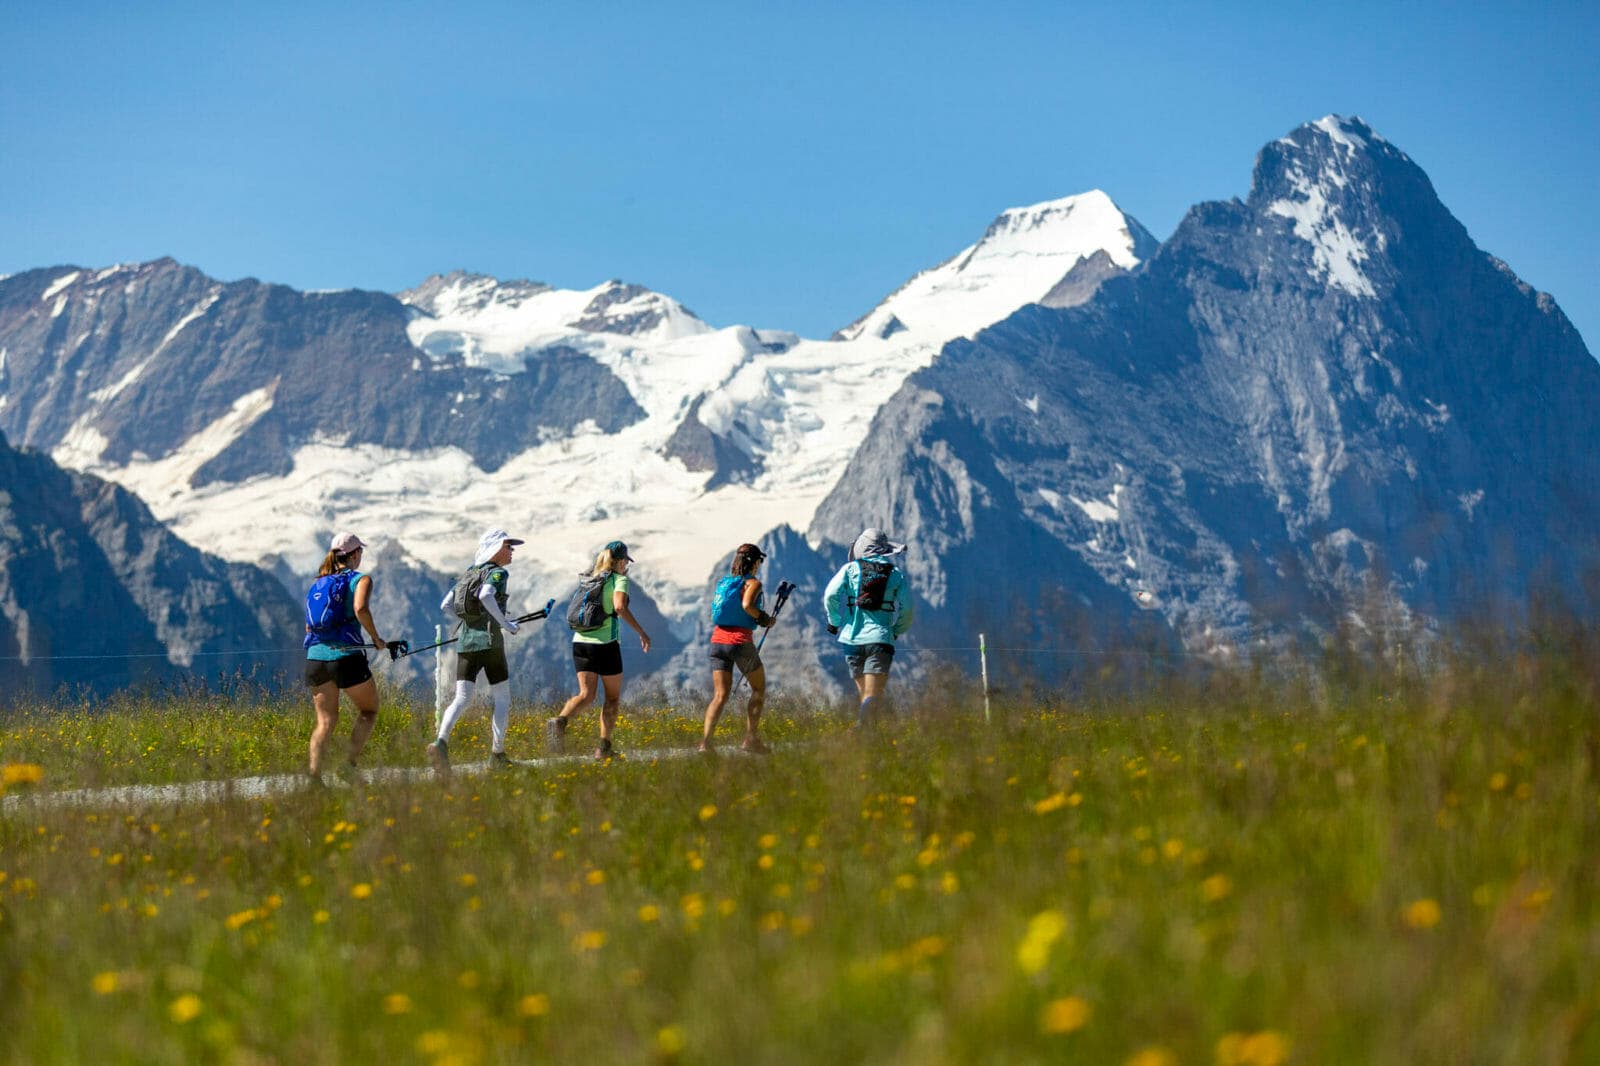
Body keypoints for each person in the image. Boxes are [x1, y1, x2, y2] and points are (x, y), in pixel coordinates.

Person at [427, 529, 527, 775]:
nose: (511, 550)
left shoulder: (469, 573)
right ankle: (497, 755)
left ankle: (441, 742)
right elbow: (486, 595)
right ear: (495, 548)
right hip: (491, 643)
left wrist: (470, 621)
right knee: (502, 697)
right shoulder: (497, 573)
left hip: (466, 643)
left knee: (461, 698)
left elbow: (446, 605)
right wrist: (506, 624)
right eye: (507, 546)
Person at [547, 540, 651, 759]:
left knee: (586, 694)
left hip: (580, 642)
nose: (626, 566)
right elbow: (619, 607)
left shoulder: (590, 578)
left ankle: (560, 721)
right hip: (605, 644)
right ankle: (603, 748)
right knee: (612, 698)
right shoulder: (619, 580)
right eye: (625, 562)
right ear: (621, 561)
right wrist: (641, 631)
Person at [304, 531, 389, 782]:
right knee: (369, 710)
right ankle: (348, 765)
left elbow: (310, 626)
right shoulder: (360, 580)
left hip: (315, 657)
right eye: (360, 551)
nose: (361, 556)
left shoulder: (317, 583)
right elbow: (360, 608)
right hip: (347, 656)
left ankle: (314, 778)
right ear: (354, 555)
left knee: (325, 721)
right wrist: (375, 638)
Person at [823, 528, 914, 726]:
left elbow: (830, 595)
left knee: (866, 696)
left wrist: (834, 622)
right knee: (872, 697)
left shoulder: (849, 569)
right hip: (880, 640)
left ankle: (868, 743)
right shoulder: (895, 574)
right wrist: (896, 630)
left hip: (851, 642)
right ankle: (861, 734)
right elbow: (908, 608)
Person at [699, 543, 774, 754]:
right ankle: (751, 739)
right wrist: (764, 618)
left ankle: (705, 743)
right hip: (740, 643)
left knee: (720, 695)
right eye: (759, 561)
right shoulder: (753, 583)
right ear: (755, 562)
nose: (759, 565)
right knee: (758, 689)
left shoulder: (724, 582)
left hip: (717, 642)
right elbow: (747, 606)